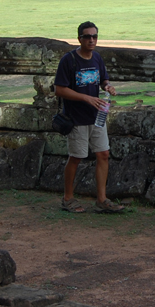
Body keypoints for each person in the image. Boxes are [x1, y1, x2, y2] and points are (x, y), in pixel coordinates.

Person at [54, 21, 124, 214]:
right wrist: (86, 98)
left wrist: (107, 86)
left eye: (94, 36)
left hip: (97, 116)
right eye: (87, 37)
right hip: (76, 118)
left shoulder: (97, 58)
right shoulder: (69, 60)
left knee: (103, 154)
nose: (91, 40)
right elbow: (59, 89)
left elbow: (102, 79)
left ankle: (101, 199)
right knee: (76, 157)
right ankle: (68, 198)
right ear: (79, 39)